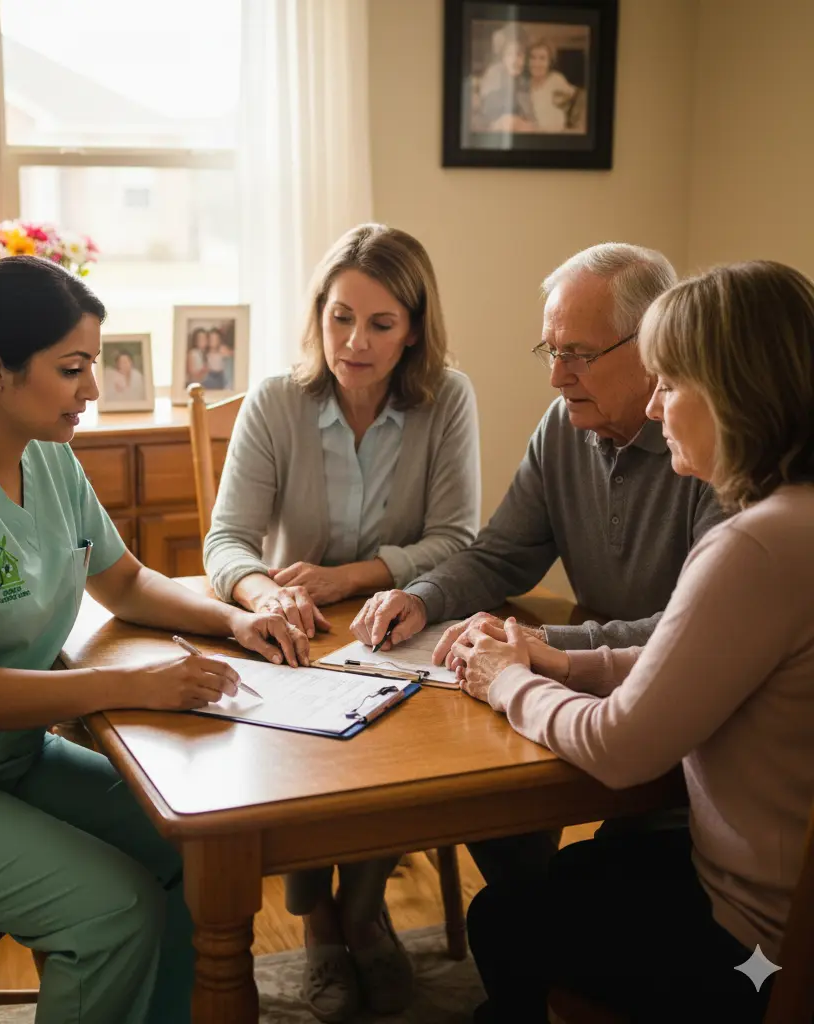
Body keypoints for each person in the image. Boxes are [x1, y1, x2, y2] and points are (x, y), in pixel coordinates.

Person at [0, 255, 308, 1024]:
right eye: (73, 369)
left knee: (189, 856)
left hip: (6, 761)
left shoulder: (51, 460)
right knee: (111, 914)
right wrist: (133, 685)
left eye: (92, 365)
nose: (94, 389)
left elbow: (127, 582)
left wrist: (235, 616)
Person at [460, 259, 814, 1023]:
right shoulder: (796, 519)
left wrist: (505, 682)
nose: (656, 407)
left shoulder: (754, 546)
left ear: (735, 394)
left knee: (503, 919)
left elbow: (621, 750)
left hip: (762, 951)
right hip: (781, 912)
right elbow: (698, 664)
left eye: (671, 384)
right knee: (583, 875)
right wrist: (557, 659)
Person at [351, 243, 726, 883]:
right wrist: (422, 594)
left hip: (695, 727)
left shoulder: (710, 444)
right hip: (605, 687)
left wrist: (540, 644)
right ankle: (527, 926)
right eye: (551, 351)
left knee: (574, 880)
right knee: (489, 808)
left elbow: (692, 635)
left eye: (577, 354)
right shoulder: (564, 425)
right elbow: (502, 554)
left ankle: (535, 935)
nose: (557, 376)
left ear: (651, 345)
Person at [204, 223, 481, 1022]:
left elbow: (457, 538)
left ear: (416, 329)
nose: (354, 342)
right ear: (318, 314)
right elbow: (227, 540)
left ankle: (362, 914)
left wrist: (347, 576)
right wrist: (265, 592)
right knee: (303, 748)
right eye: (339, 317)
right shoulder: (278, 400)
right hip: (298, 638)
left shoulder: (448, 398)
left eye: (381, 323)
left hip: (403, 626)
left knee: (401, 752)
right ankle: (321, 919)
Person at [479, 36, 536, 132]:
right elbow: (488, 114)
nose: (514, 60)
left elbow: (530, 118)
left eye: (519, 55)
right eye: (509, 55)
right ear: (503, 58)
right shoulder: (494, 73)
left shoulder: (524, 81)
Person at [526, 39, 576, 133]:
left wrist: (565, 101)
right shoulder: (524, 85)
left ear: (550, 62)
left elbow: (577, 96)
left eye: (542, 58)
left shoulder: (556, 79)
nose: (537, 63)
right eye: (533, 57)